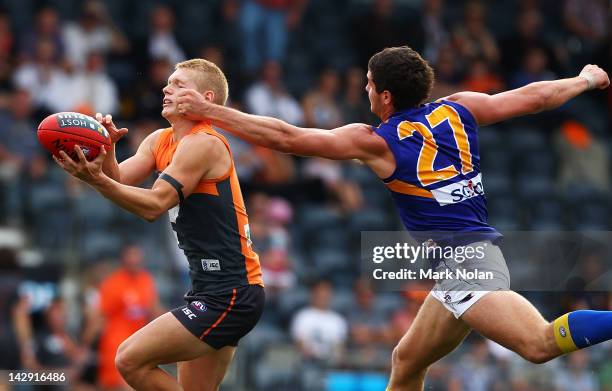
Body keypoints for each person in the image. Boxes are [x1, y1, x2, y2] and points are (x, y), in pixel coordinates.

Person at [175, 46, 612, 390]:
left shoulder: (377, 142)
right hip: (463, 264)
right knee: (406, 362)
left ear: (384, 95)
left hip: (466, 265)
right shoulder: (458, 108)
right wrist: (584, 78)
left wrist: (209, 111)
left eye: (368, 84)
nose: (364, 90)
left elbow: (287, 138)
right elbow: (535, 98)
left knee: (537, 344)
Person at [53, 58, 264, 390]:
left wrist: (96, 181)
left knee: (129, 359)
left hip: (231, 293)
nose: (167, 88)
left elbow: (152, 205)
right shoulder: (159, 140)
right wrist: (105, 152)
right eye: (169, 82)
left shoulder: (204, 144)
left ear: (205, 99)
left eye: (180, 84)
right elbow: (120, 178)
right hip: (209, 289)